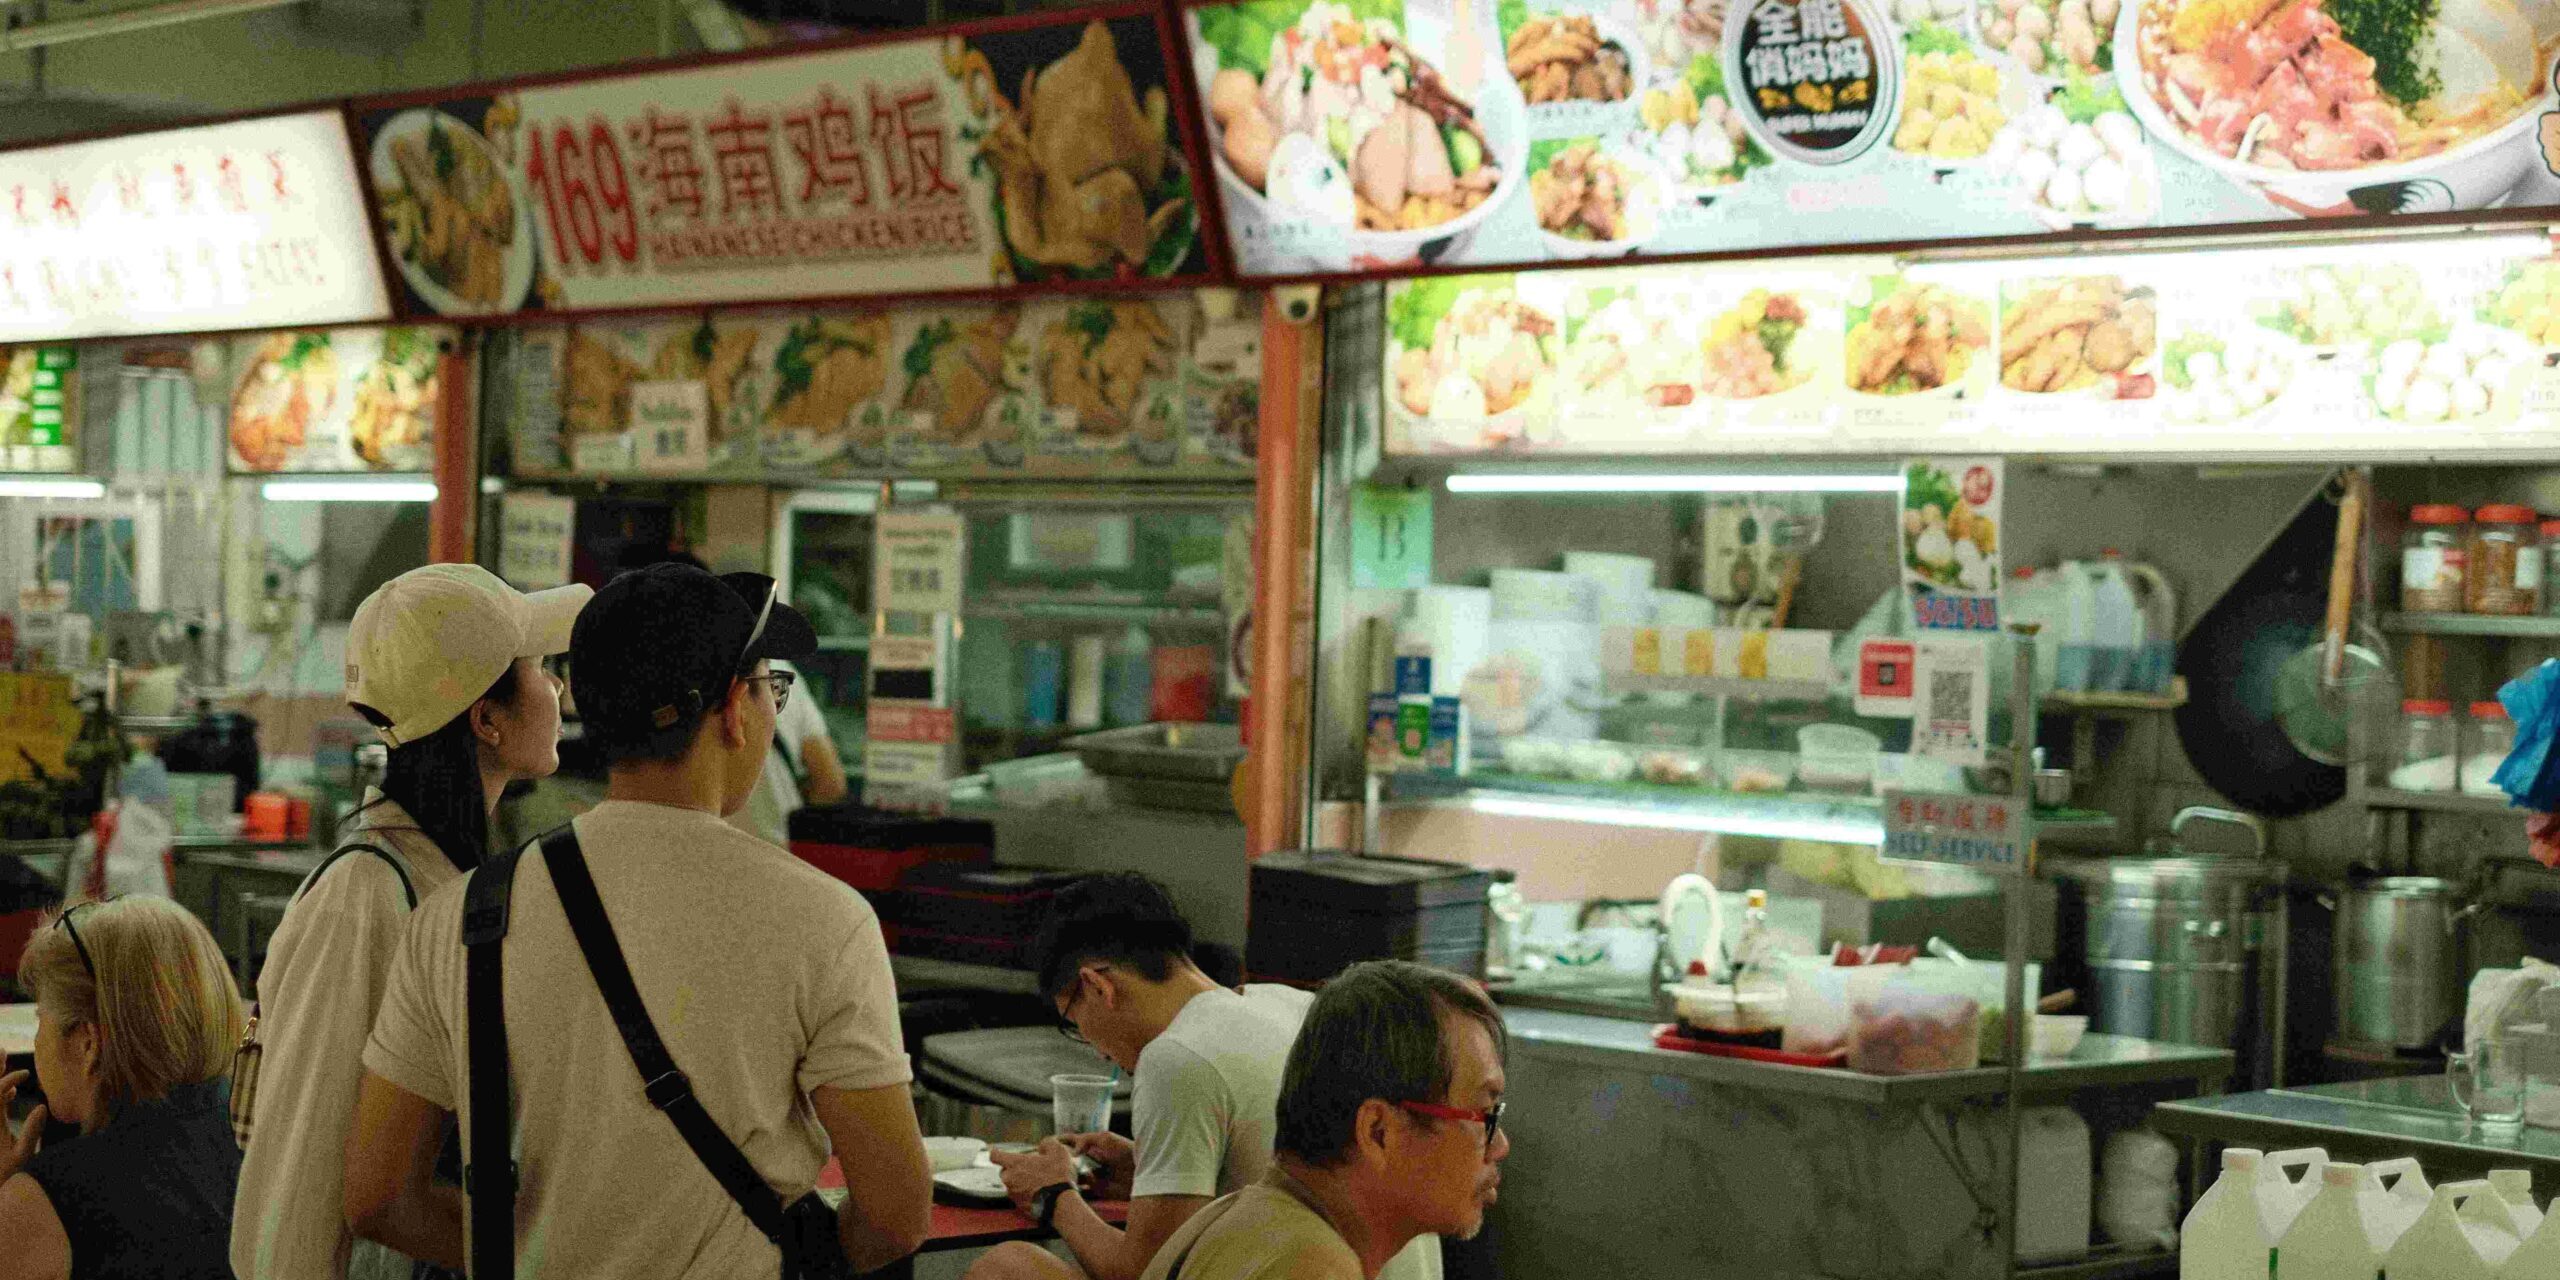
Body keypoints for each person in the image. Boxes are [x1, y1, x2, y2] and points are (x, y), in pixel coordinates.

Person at [344, 563, 932, 1277]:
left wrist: (532, 1254)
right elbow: (897, 1215)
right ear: (732, 711)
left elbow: (376, 1198)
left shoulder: (459, 916)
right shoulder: (825, 921)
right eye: (771, 687)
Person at [234, 563, 589, 1280]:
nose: (558, 689)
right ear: (485, 720)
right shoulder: (365, 897)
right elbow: (306, 1147)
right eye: (541, 669)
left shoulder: (439, 872)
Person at [970, 877, 1439, 1280]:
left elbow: (1142, 1272)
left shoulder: (1177, 1055)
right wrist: (1145, 1170)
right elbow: (1271, 1184)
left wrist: (1052, 1195)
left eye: (1073, 1021)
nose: (1093, 1047)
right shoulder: (1291, 1006)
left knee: (1008, 1267)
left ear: (1097, 986)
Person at [1136, 961, 1508, 1280]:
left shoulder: (1244, 1215)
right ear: (1378, 1132)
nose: (1499, 1145)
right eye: (1483, 1115)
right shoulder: (1312, 1268)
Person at [1, 896, 248, 1280]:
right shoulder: (259, 1149)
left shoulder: (49, 1204)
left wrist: (11, 1204)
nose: (36, 1040)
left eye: (40, 1017)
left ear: (87, 1042)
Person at [733, 657, 850, 848]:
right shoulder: (782, 673)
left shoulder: (689, 670)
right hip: (781, 852)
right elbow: (830, 782)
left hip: (710, 855)